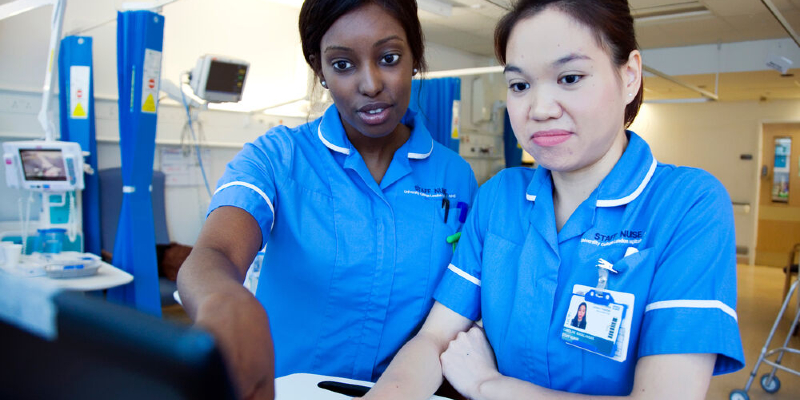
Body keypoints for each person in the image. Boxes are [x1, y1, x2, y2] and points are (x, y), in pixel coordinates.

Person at [362, 1, 745, 399]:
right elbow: (435, 339)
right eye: (520, 85)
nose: (540, 110)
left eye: (570, 77)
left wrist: (487, 384)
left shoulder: (686, 205)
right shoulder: (501, 198)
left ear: (629, 76)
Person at [176, 0, 477, 398]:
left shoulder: (455, 177)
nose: (370, 84)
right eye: (342, 65)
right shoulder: (277, 159)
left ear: (415, 58)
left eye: (388, 58)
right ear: (320, 70)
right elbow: (216, 252)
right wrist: (222, 302)